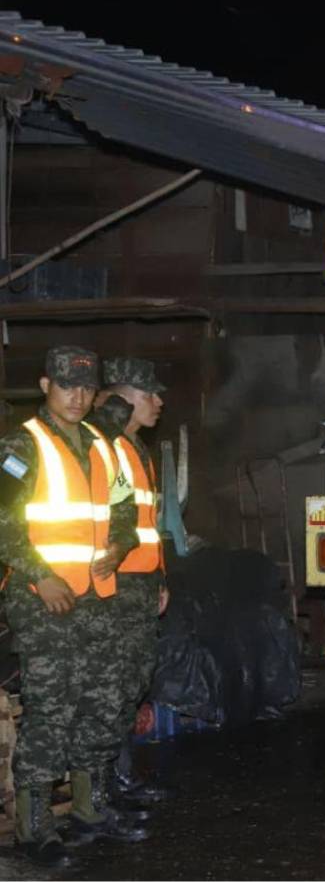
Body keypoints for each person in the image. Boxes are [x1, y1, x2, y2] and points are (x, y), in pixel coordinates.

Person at [0, 346, 148, 867]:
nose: (78, 397)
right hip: (45, 601)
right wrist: (40, 576)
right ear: (46, 386)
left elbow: (125, 508)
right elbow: (3, 521)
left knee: (102, 702)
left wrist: (119, 545)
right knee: (52, 708)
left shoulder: (102, 446)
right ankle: (34, 830)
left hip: (97, 595)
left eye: (86, 389)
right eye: (67, 387)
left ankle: (89, 809)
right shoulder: (21, 444)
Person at [90, 356, 170, 810]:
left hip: (141, 583)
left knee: (132, 685)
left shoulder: (137, 449)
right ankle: (102, 790)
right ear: (122, 399)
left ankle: (119, 778)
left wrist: (160, 577)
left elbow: (148, 526)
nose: (158, 403)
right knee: (110, 689)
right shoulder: (105, 443)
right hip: (113, 585)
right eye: (150, 394)